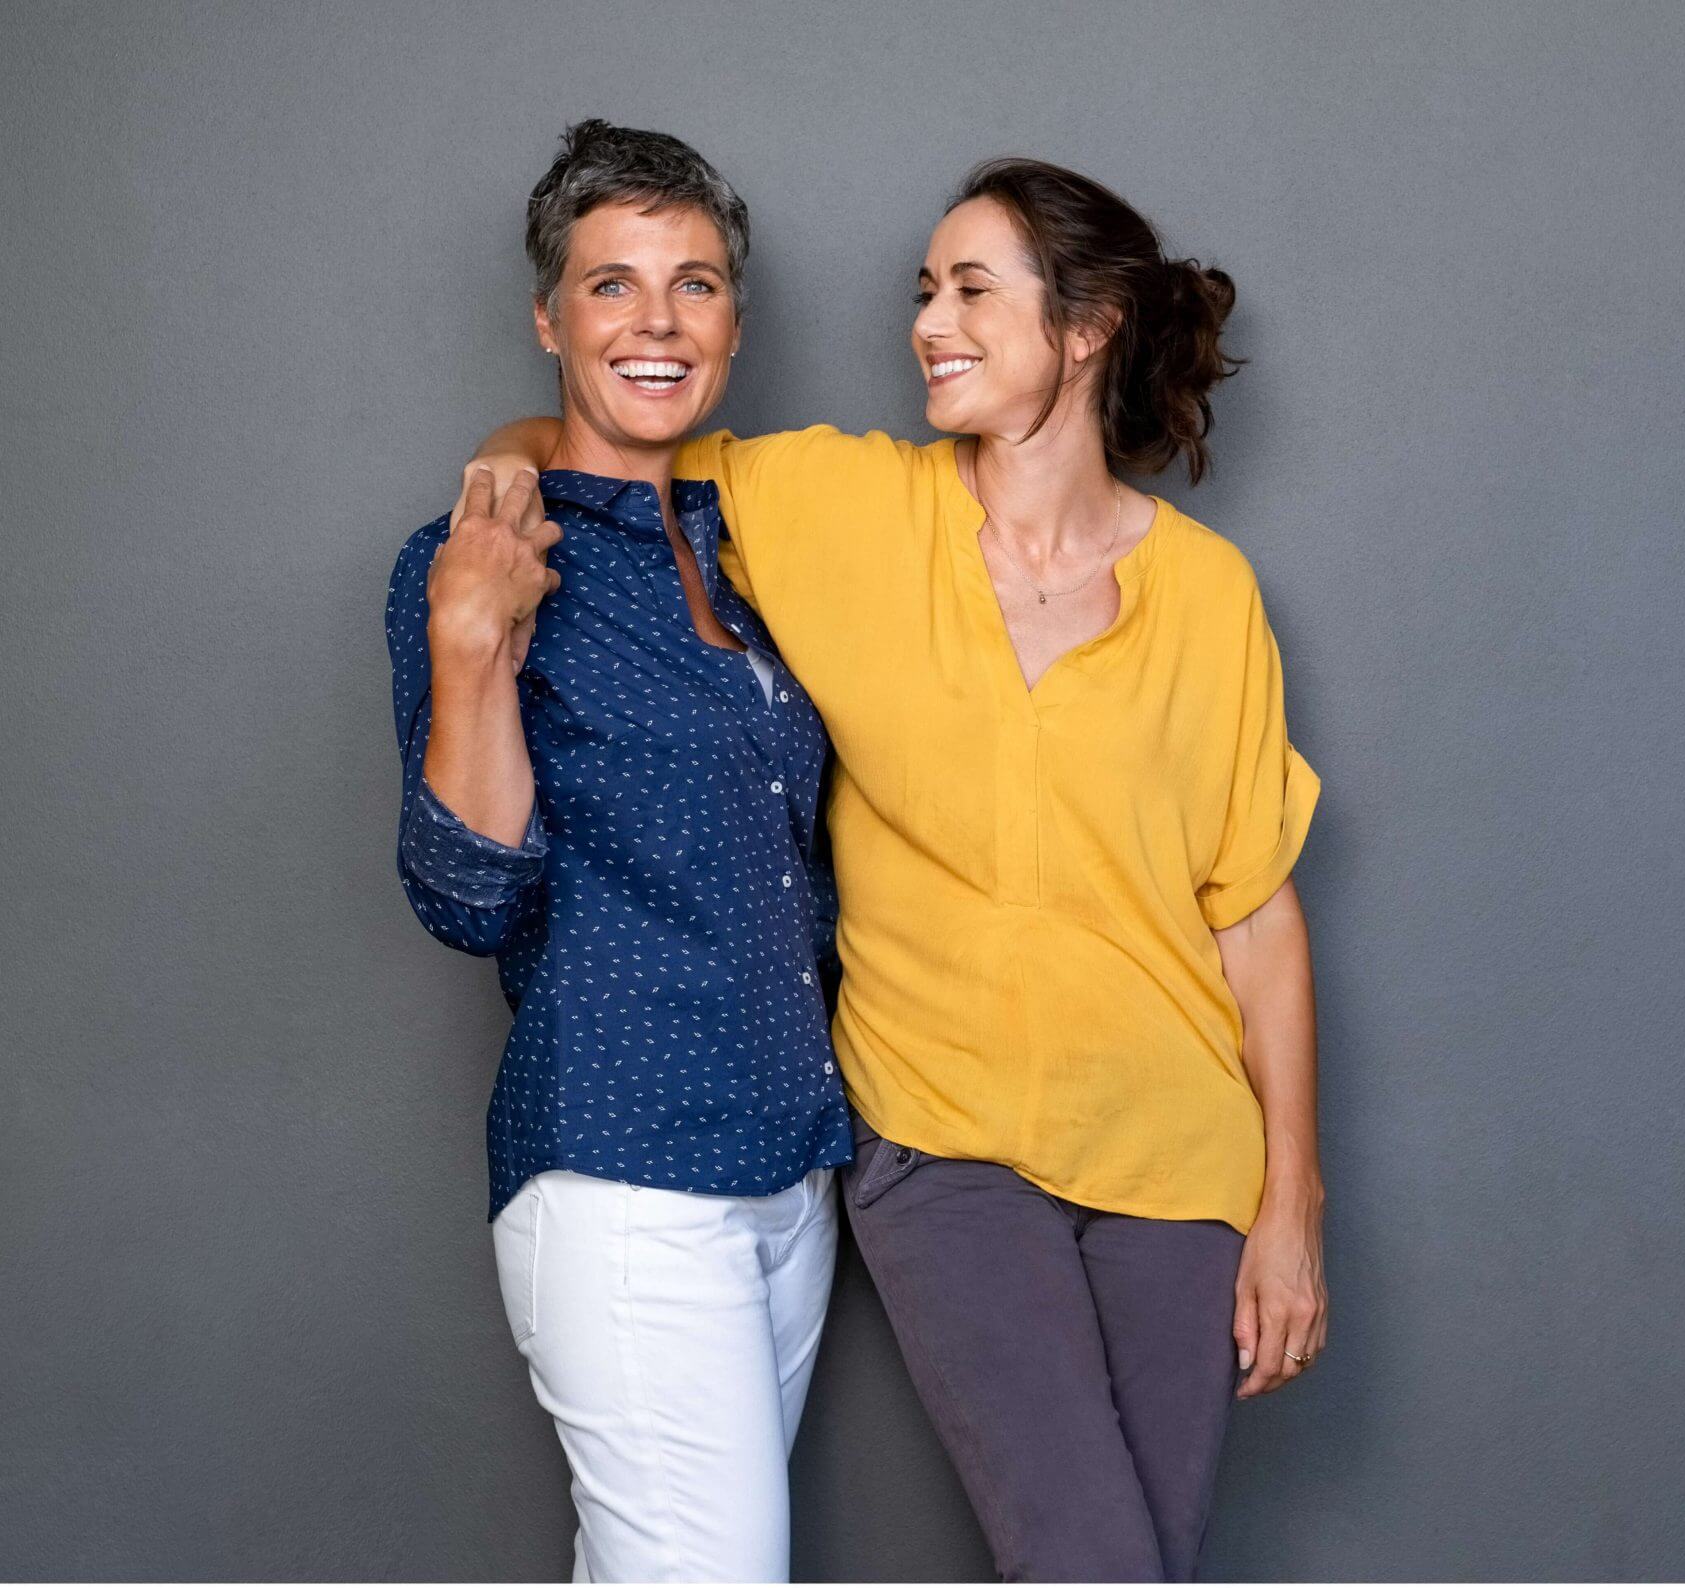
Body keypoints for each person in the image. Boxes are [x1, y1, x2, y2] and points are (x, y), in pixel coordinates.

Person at [469, 155, 1328, 1582]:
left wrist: (1291, 1206)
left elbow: (1258, 915)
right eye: (925, 291)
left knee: (1153, 1560)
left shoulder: (1212, 598)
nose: (929, 321)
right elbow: (613, 433)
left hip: (1184, 1164)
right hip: (944, 1144)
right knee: (1093, 1561)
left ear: (1088, 325)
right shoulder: (841, 507)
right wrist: (501, 453)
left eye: (971, 290)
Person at [384, 122, 850, 1583]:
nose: (656, 321)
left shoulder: (765, 542)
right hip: (625, 1168)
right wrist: (474, 644)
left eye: (695, 284)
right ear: (548, 315)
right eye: (612, 286)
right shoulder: (477, 559)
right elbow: (468, 894)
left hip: (792, 1163)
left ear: (734, 318)